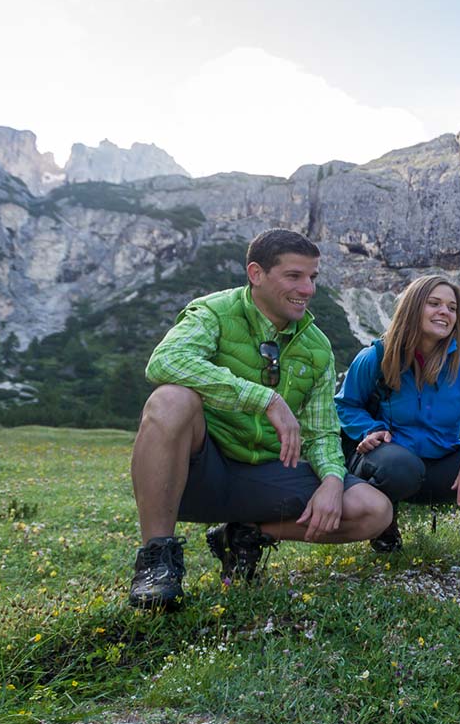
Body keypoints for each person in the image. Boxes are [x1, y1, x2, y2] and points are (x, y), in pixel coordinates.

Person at [128, 229, 394, 610]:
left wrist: (334, 480)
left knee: (375, 510)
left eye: (313, 278)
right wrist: (263, 398)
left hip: (270, 472)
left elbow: (321, 432)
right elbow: (165, 361)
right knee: (170, 399)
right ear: (256, 274)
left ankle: (244, 535)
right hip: (204, 469)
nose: (308, 289)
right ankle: (157, 560)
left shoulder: (316, 345)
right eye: (294, 276)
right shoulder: (214, 312)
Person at [334, 275, 460, 621]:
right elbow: (345, 405)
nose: (445, 312)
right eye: (434, 303)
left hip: (442, 468)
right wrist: (370, 429)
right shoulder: (376, 355)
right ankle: (384, 523)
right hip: (389, 464)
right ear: (414, 307)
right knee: (401, 466)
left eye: (452, 307)